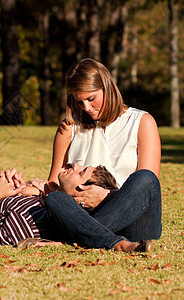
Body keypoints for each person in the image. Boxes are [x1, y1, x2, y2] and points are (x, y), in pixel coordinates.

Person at [29, 58, 162, 252]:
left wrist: (107, 196)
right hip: (82, 216)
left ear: (107, 87)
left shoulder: (142, 122)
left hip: (133, 222)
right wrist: (25, 188)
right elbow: (52, 186)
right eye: (80, 102)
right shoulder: (68, 129)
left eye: (91, 99)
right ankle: (109, 241)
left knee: (146, 178)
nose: (87, 108)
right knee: (55, 199)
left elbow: (146, 189)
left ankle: (74, 240)